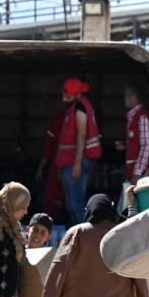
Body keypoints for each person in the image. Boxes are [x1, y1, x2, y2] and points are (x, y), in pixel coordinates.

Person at [55, 78, 102, 225]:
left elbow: (82, 133)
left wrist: (77, 164)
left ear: (76, 95)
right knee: (71, 205)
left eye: (67, 97)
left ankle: (83, 237)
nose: (64, 99)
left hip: (74, 162)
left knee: (77, 206)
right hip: (68, 162)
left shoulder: (80, 107)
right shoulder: (76, 105)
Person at [115, 83, 149, 186]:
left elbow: (146, 146)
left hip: (139, 175)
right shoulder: (133, 117)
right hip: (132, 172)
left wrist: (137, 173)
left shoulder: (141, 117)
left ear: (129, 96)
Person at [35, 111, 67, 222]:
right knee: (51, 200)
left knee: (73, 205)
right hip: (56, 168)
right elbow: (48, 147)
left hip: (76, 169)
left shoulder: (84, 118)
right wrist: (41, 167)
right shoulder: (57, 120)